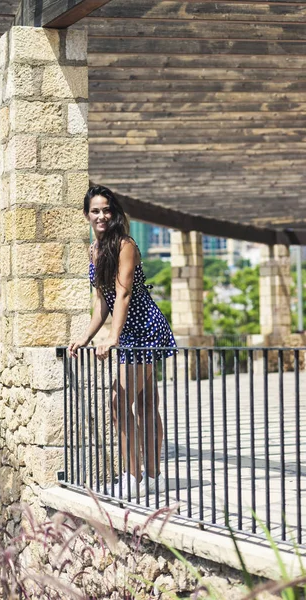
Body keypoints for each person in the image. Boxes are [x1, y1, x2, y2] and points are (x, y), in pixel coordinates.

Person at [68, 185, 177, 500]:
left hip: (143, 329)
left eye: (106, 209)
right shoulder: (94, 250)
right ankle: (151, 477)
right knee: (143, 404)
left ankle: (135, 476)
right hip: (126, 331)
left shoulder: (125, 245)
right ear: (87, 214)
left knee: (118, 403)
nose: (101, 215)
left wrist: (113, 337)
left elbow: (123, 293)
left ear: (114, 213)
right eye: (95, 210)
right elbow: (102, 301)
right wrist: (86, 336)